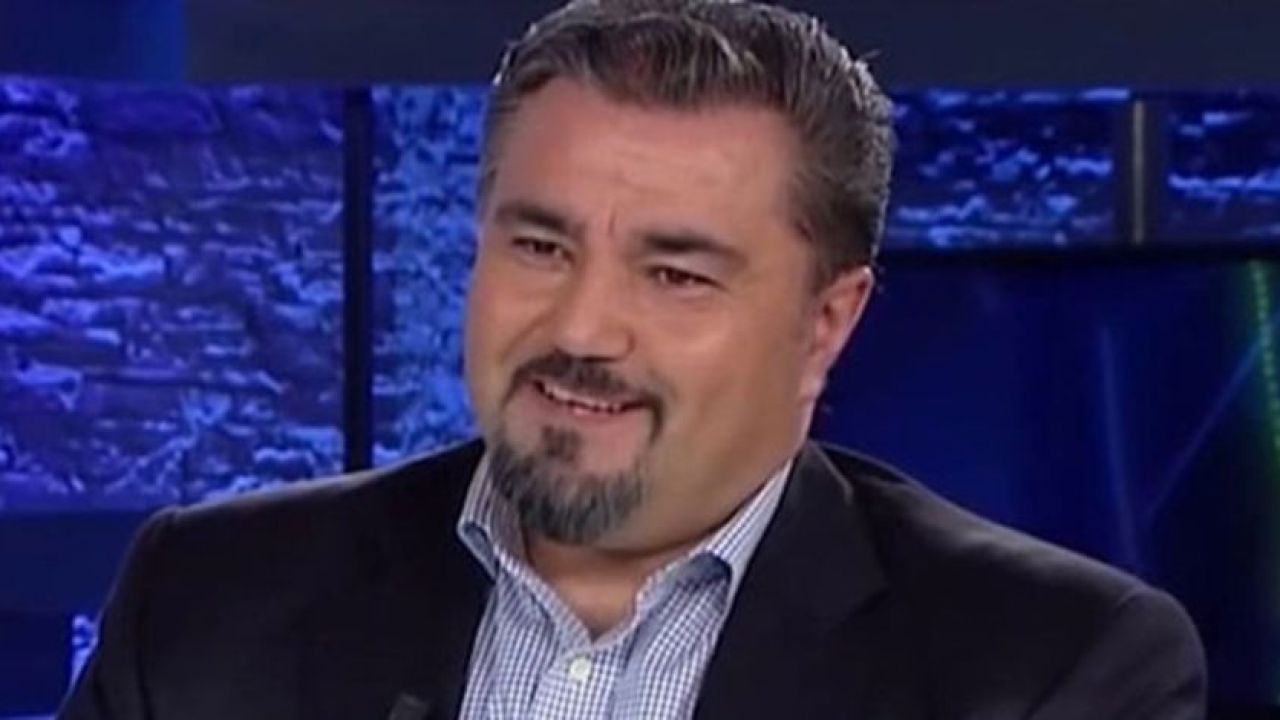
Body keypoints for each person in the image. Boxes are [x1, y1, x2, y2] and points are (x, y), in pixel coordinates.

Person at [60, 1, 1206, 718]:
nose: (581, 330)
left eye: (675, 274)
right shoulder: (205, 602)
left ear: (825, 322)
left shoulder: (1051, 670)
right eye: (540, 246)